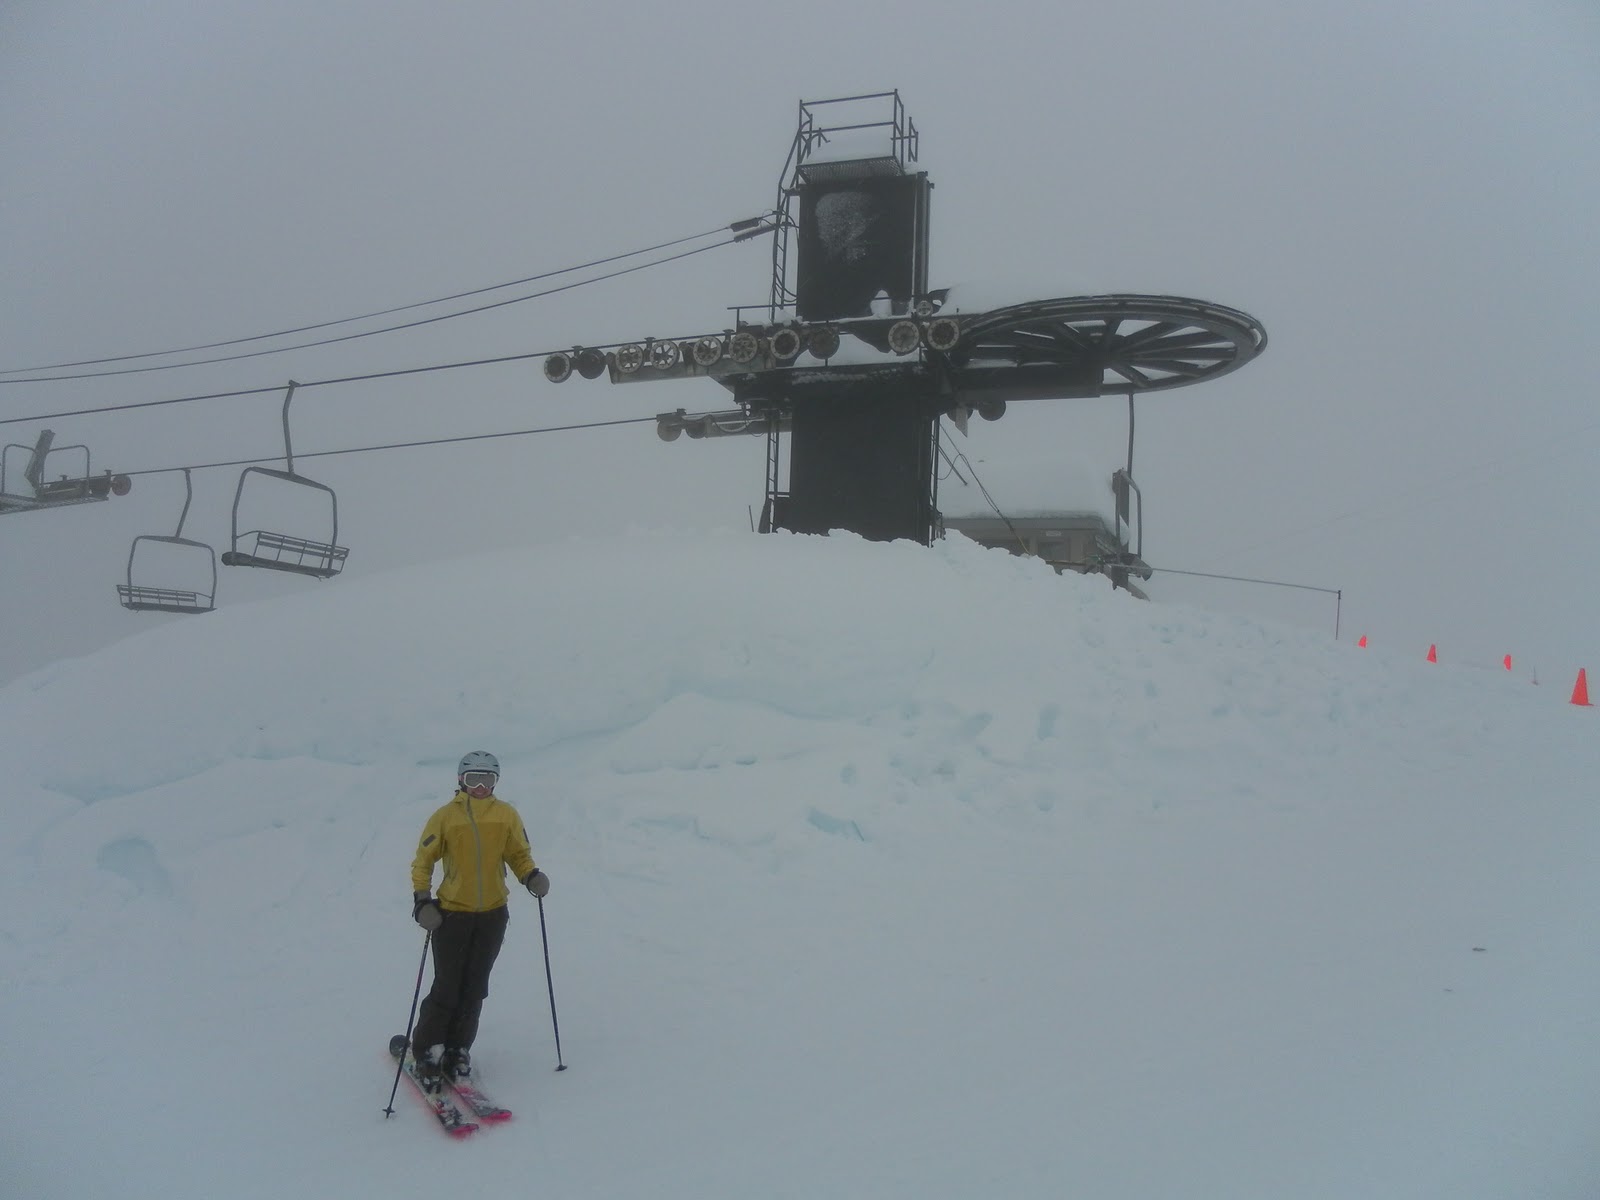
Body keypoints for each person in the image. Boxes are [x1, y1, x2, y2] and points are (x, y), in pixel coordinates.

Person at [409, 750, 549, 1089]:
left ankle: (458, 1050)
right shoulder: (445, 818)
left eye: (488, 780)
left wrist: (530, 875)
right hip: (453, 914)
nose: (481, 786)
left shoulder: (506, 815)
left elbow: (518, 854)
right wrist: (422, 900)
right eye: (474, 780)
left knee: (475, 988)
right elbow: (423, 861)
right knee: (447, 986)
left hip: (492, 914)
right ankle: (428, 1052)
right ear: (461, 781)